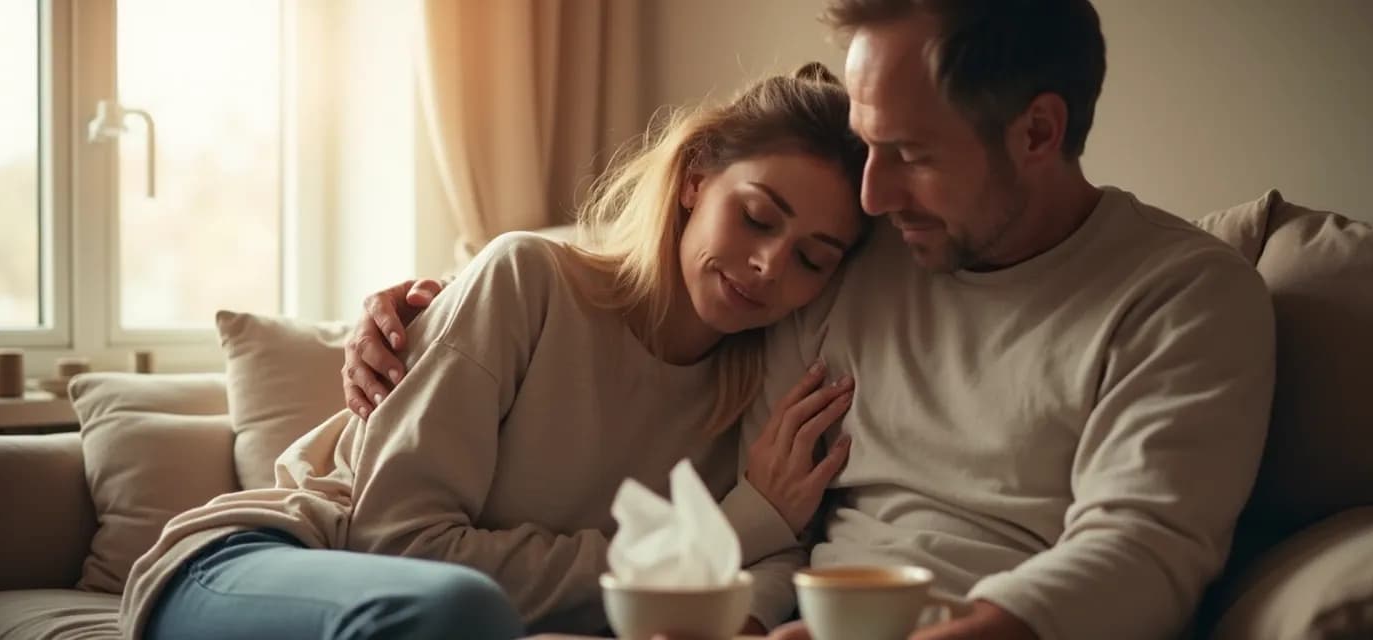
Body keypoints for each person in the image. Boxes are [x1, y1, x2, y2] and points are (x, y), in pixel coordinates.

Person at [350, 1, 1278, 639]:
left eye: (909, 153)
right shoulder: (854, 262)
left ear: (1037, 132)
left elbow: (1143, 550)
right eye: (869, 149)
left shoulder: (1183, 295)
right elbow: (779, 517)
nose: (872, 194)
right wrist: (746, 624)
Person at [117, 63, 873, 640]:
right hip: (264, 560)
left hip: (445, 615)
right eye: (756, 217)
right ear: (695, 181)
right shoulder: (528, 279)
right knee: (458, 611)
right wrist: (715, 541)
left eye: (813, 259)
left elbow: (777, 559)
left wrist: (732, 595)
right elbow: (395, 544)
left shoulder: (761, 383)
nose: (769, 266)